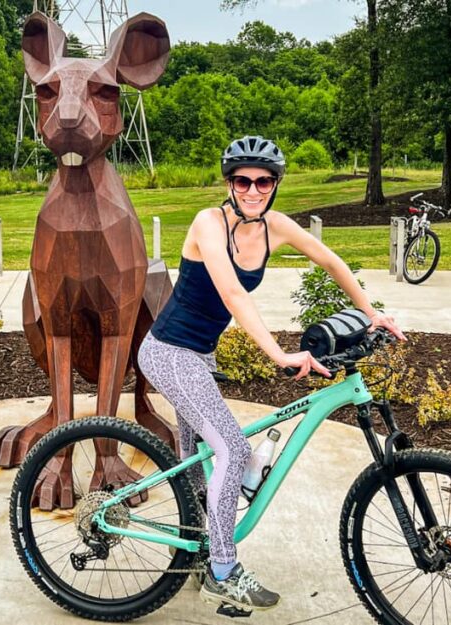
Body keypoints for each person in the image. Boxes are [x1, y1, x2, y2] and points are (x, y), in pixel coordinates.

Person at [137, 136, 406, 612]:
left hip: (200, 357)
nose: (253, 190)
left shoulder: (275, 226)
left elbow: (329, 260)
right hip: (169, 352)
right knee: (231, 446)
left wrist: (372, 312)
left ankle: (199, 545)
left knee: (198, 461)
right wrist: (279, 354)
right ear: (229, 183)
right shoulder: (207, 223)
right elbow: (236, 297)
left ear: (275, 184)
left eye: (263, 181)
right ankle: (222, 569)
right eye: (243, 181)